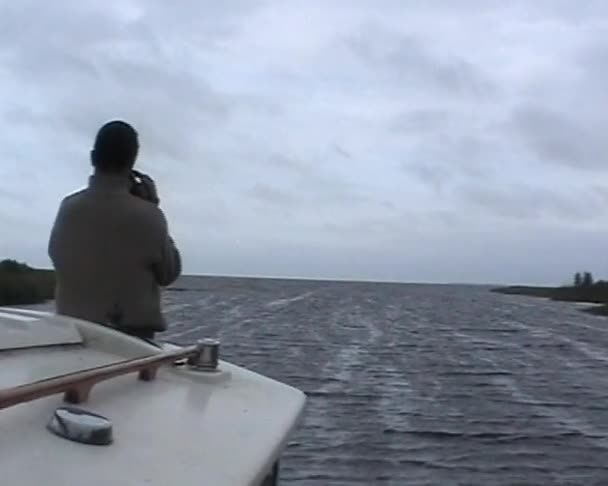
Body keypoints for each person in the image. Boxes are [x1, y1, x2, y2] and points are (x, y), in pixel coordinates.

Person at [48, 120, 181, 339]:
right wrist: (153, 205)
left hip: (73, 335)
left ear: (93, 158)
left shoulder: (68, 207)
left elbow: (56, 255)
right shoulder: (148, 214)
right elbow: (169, 273)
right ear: (132, 163)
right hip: (131, 341)